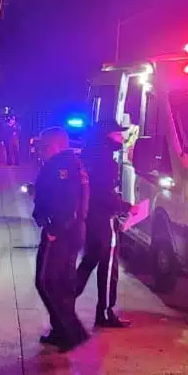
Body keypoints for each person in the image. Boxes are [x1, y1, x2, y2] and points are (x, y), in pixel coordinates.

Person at [33, 127, 90, 350]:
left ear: (55, 146)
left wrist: (54, 230)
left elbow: (69, 203)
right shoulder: (70, 164)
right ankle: (61, 331)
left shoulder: (63, 167)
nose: (41, 151)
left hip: (63, 233)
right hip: (68, 231)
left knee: (47, 282)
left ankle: (72, 332)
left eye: (44, 146)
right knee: (60, 283)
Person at [76, 121, 133, 328]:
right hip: (103, 219)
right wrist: (127, 207)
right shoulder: (105, 161)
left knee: (90, 259)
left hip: (91, 218)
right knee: (109, 266)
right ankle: (106, 312)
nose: (122, 138)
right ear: (108, 136)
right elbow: (103, 195)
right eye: (119, 134)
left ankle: (65, 297)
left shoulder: (89, 154)